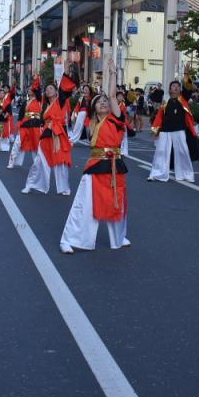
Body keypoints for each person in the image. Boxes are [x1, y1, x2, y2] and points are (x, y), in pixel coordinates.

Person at [60, 59, 130, 254]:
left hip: (116, 165)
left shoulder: (116, 119)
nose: (104, 103)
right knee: (85, 203)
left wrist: (112, 73)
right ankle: (72, 239)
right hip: (96, 164)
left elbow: (113, 96)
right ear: (94, 108)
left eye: (105, 101)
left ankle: (119, 237)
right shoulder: (92, 123)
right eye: (99, 101)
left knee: (116, 201)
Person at [23, 70, 75, 196]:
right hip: (47, 134)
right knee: (39, 162)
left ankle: (64, 188)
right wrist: (36, 79)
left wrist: (66, 72)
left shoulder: (60, 101)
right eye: (47, 89)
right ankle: (30, 185)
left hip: (59, 134)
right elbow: (36, 91)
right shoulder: (44, 105)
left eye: (51, 88)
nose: (49, 90)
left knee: (60, 162)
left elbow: (65, 89)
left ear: (57, 91)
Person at [147, 78, 196, 183]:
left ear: (180, 90)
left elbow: (188, 88)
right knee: (160, 151)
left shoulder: (183, 99)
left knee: (183, 151)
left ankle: (186, 174)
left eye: (178, 87)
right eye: (173, 86)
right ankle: (156, 174)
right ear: (169, 90)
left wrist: (187, 75)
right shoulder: (165, 102)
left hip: (179, 129)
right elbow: (159, 116)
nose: (176, 88)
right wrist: (155, 130)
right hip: (165, 130)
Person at [9, 76, 43, 170]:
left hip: (36, 126)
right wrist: (19, 123)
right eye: (29, 89)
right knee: (17, 144)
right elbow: (20, 114)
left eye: (31, 89)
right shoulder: (25, 102)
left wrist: (36, 82)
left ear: (35, 91)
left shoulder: (40, 101)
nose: (29, 90)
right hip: (25, 125)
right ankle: (11, 162)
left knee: (36, 147)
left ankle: (38, 165)